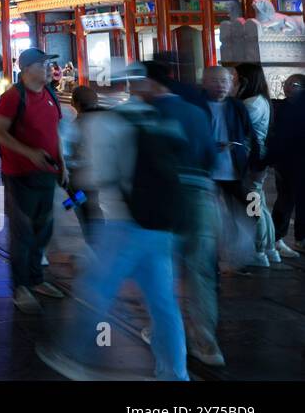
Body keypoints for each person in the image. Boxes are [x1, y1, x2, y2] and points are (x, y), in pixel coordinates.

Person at [38, 62, 190, 381]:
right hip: (161, 224)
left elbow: (96, 177)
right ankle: (175, 372)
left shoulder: (102, 124)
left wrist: (69, 199)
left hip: (122, 221)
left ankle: (72, 355)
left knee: (96, 290)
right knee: (163, 303)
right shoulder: (155, 118)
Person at [131, 61, 223, 366]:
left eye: (137, 83)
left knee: (160, 271)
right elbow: (210, 156)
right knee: (200, 272)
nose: (133, 89)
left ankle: (164, 334)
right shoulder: (196, 113)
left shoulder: (147, 115)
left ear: (150, 84)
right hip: (201, 195)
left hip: (164, 198)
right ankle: (207, 345)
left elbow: (139, 163)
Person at [0, 47, 66, 314]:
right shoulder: (13, 97)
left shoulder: (50, 94)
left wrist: (63, 165)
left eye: (49, 64)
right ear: (27, 69)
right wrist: (29, 153)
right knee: (22, 232)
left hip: (47, 173)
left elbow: (55, 132)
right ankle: (20, 286)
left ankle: (36, 279)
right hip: (19, 174)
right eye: (44, 64)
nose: (49, 69)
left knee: (43, 229)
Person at [202, 64, 263, 268]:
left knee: (252, 209)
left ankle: (246, 253)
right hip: (207, 172)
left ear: (230, 84)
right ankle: (213, 257)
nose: (220, 85)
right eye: (215, 81)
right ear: (204, 82)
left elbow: (251, 136)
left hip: (235, 170)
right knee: (210, 217)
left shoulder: (237, 106)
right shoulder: (197, 105)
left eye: (225, 81)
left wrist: (256, 164)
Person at [235, 63, 277, 265]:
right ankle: (269, 249)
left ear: (245, 80)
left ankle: (259, 251)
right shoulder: (261, 100)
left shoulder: (251, 103)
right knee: (259, 202)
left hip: (252, 159)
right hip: (258, 158)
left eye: (235, 77)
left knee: (254, 204)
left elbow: (238, 130)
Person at [63, 85, 106, 245]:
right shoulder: (107, 121)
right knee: (91, 207)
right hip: (102, 176)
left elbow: (67, 153)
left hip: (82, 179)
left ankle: (96, 246)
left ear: (75, 103)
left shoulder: (76, 125)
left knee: (84, 209)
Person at [269, 74, 305, 258]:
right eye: (287, 84)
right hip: (286, 164)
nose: (288, 88)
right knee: (286, 199)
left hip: (292, 162)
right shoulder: (281, 107)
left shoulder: (292, 107)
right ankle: (277, 236)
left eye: (295, 84)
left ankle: (297, 238)